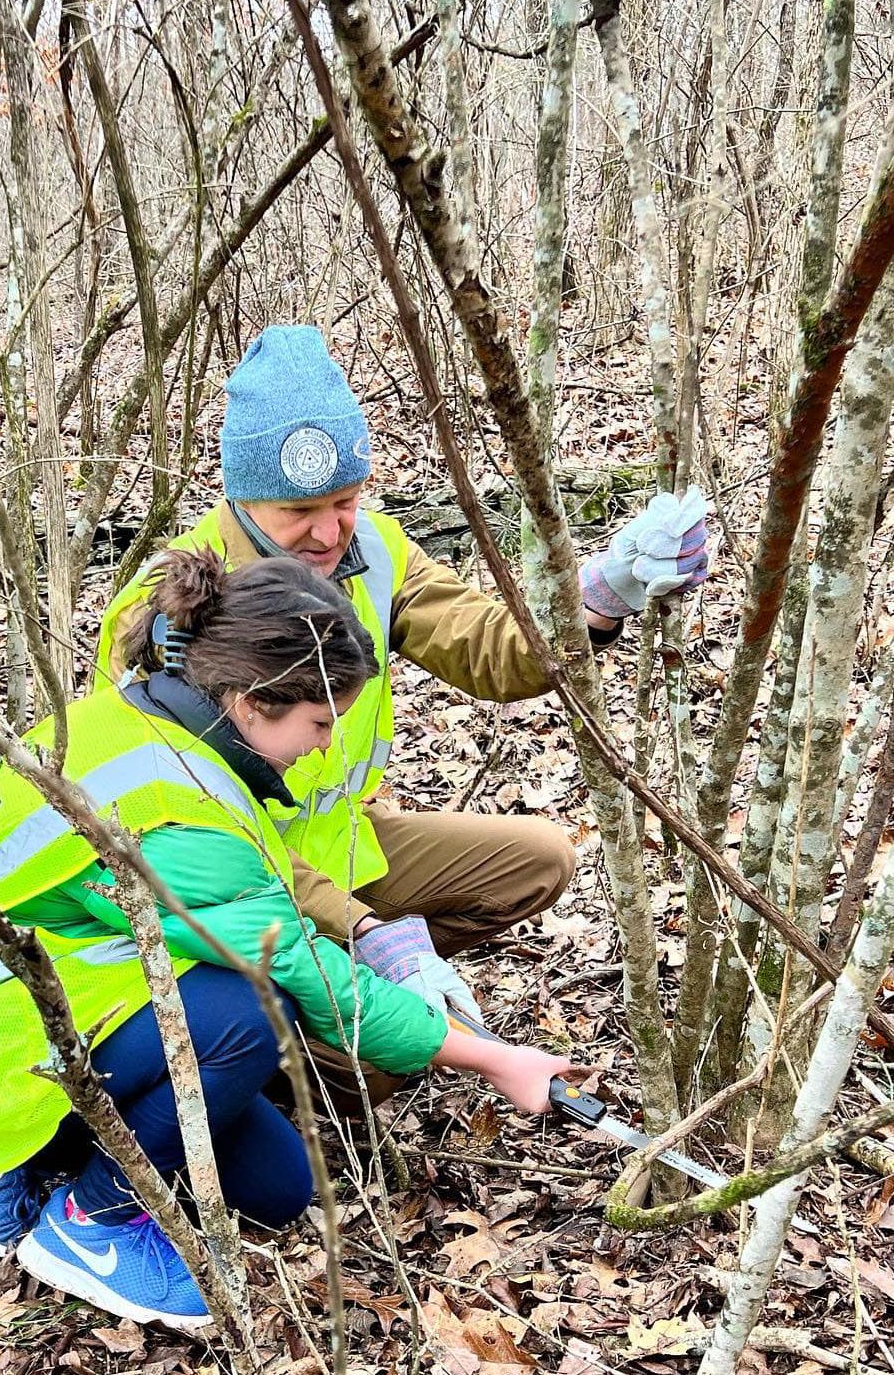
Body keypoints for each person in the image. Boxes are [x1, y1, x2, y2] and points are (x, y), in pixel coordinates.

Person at [0, 550, 575, 1331]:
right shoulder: (179, 806)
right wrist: (493, 1058)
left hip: (48, 990)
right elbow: (307, 971)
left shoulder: (147, 725)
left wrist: (377, 936)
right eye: (319, 722)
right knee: (254, 1009)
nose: (323, 747)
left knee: (279, 1188)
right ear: (251, 703)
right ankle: (90, 1220)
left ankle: (30, 1150)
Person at [95, 326, 710, 1100]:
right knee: (386, 1057)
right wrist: (363, 935)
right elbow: (175, 840)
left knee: (540, 859)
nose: (328, 533)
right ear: (239, 497)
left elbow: (487, 647)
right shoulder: (169, 612)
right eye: (299, 510)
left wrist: (596, 597)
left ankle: (351, 1002)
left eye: (345, 501)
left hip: (349, 845)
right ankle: (287, 1067)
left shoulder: (376, 550)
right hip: (228, 885)